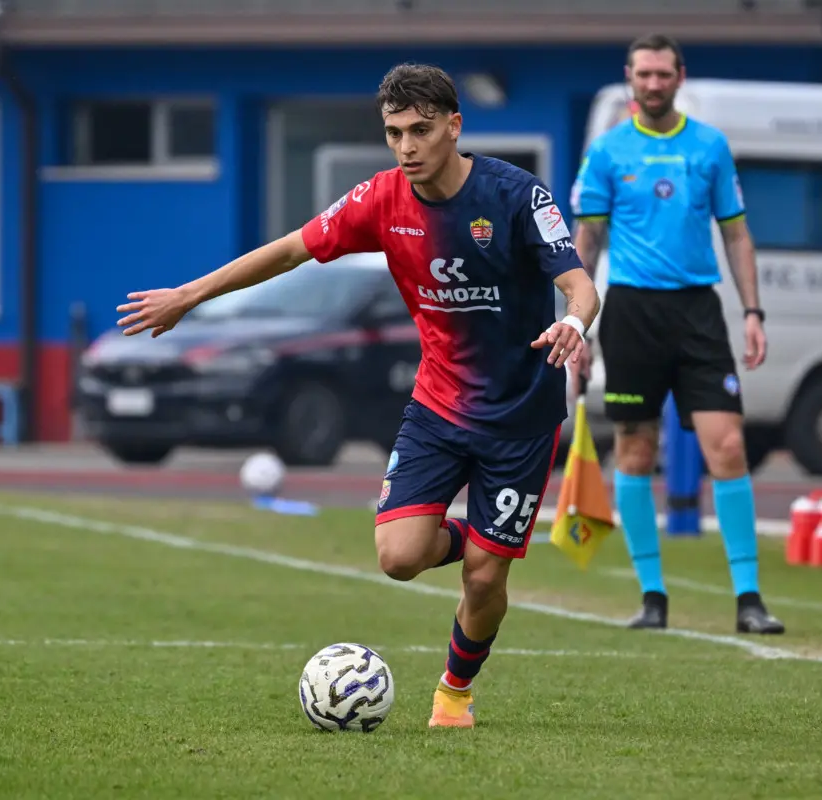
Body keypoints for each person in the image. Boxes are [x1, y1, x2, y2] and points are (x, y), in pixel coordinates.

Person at [115, 63, 601, 726]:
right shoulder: (380, 200)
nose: (406, 147)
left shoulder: (516, 195)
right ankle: (484, 537)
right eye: (394, 132)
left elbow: (579, 283)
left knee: (486, 579)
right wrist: (188, 296)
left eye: (420, 130)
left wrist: (573, 322)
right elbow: (289, 251)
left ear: (453, 126)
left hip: (520, 417)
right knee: (399, 558)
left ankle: (454, 691)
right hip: (439, 405)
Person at [570, 33, 782, 634]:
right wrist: (576, 324)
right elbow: (586, 243)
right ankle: (653, 598)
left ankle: (749, 599)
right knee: (635, 450)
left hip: (698, 312)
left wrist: (753, 312)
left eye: (664, 73)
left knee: (729, 447)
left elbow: (737, 234)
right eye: (644, 74)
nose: (654, 83)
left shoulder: (710, 146)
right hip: (632, 311)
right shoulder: (608, 152)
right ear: (630, 77)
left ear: (680, 76)